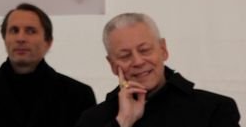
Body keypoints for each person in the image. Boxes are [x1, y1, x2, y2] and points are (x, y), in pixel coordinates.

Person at [76, 12, 241, 127]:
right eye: (125, 55)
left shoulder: (213, 109)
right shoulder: (94, 119)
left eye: (144, 50)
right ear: (112, 64)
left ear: (163, 50)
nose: (138, 61)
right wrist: (123, 122)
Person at [0, 3, 96, 127]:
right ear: (4, 39)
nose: (21, 38)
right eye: (14, 30)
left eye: (30, 31)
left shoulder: (78, 96)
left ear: (48, 41)